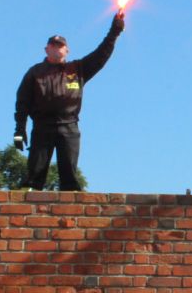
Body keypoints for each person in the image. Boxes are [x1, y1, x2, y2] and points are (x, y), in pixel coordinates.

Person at [13, 12, 125, 191]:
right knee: (34, 177)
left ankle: (72, 212)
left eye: (61, 45)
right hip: (42, 127)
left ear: (67, 50)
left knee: (70, 178)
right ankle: (25, 209)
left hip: (69, 127)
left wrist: (115, 31)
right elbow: (22, 102)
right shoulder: (34, 72)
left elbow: (101, 54)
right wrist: (19, 129)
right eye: (53, 45)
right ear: (46, 49)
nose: (57, 48)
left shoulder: (78, 69)